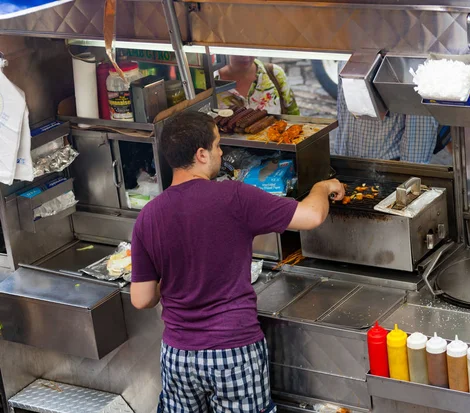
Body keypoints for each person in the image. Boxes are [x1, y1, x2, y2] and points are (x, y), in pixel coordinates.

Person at [130, 111, 344, 413]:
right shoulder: (232, 197)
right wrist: (322, 188)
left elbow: (142, 299)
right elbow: (311, 216)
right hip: (233, 350)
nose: (221, 152)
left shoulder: (148, 216)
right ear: (201, 154)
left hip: (178, 354)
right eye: (217, 145)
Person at [332, 62, 448, 164]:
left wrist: (409, 177)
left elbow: (418, 132)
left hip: (385, 168)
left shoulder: (408, 66)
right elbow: (343, 113)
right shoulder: (346, 56)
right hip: (346, 161)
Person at [215, 56, 300, 115]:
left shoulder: (274, 73)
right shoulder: (211, 81)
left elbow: (294, 114)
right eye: (238, 50)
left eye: (250, 48)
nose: (246, 56)